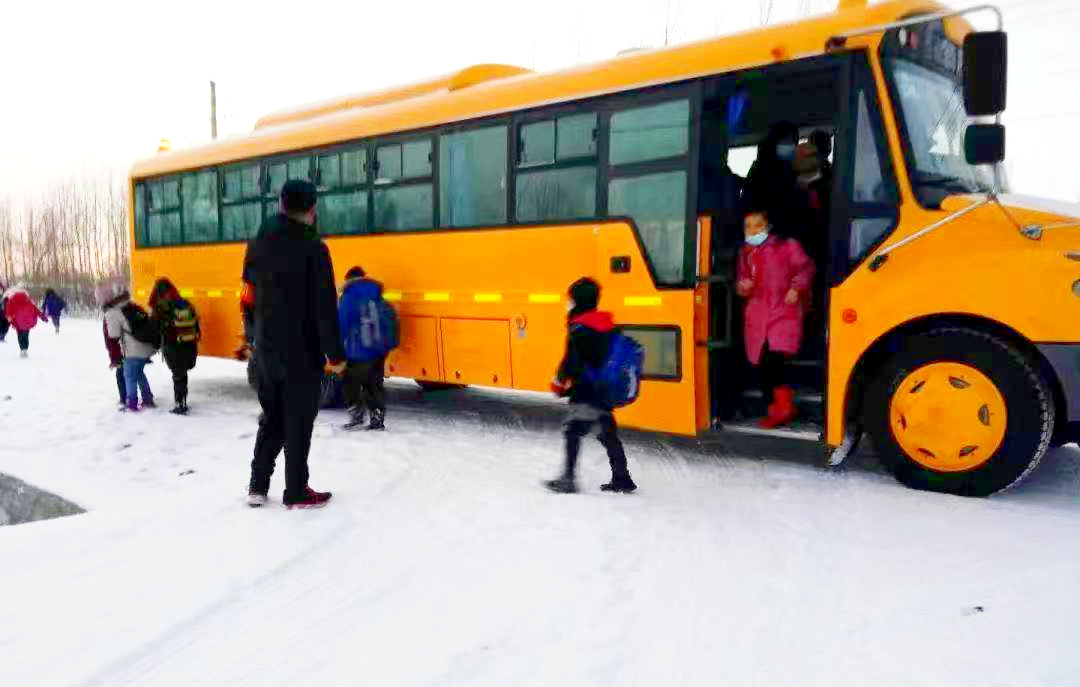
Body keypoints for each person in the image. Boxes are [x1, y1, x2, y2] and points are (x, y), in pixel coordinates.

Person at [243, 179, 346, 509]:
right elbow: (324, 307)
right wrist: (335, 356)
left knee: (272, 416)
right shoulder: (314, 248)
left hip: (266, 348)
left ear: (282, 204)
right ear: (311, 209)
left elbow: (247, 295)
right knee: (298, 421)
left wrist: (253, 335)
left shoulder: (258, 242)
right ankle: (297, 491)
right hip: (301, 352)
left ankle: (257, 485)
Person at [544, 277, 637, 495]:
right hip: (605, 388)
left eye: (571, 299)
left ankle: (568, 479)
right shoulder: (608, 325)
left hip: (586, 390)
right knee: (608, 434)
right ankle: (622, 478)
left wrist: (559, 382)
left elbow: (571, 361)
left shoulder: (580, 328)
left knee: (573, 431)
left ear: (578, 301)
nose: (568, 303)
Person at [736, 210, 815, 429]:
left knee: (774, 359)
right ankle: (776, 407)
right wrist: (744, 286)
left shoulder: (787, 246)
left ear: (768, 226)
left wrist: (796, 288)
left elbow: (806, 268)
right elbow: (742, 280)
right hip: (758, 314)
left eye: (757, 225)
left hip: (784, 311)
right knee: (763, 364)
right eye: (748, 226)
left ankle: (782, 408)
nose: (753, 230)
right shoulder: (746, 252)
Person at [338, 265, 397, 431]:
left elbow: (342, 324)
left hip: (359, 349)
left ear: (349, 280)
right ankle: (377, 417)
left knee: (349, 381)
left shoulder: (349, 296)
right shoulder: (376, 293)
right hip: (379, 349)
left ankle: (356, 414)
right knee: (374, 382)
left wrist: (336, 349)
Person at [149, 277, 201, 415]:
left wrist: (154, 344)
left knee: (178, 375)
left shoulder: (161, 306)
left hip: (173, 345)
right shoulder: (184, 303)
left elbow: (155, 327)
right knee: (181, 374)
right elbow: (196, 322)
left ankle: (180, 404)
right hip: (188, 344)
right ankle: (182, 401)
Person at [743, 121, 802, 238]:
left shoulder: (792, 169)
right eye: (787, 141)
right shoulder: (761, 170)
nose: (792, 146)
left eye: (795, 141)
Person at [104, 283, 157, 412]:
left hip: (133, 351)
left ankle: (132, 404)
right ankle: (148, 399)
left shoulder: (113, 312)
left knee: (130, 377)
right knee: (139, 373)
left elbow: (113, 335)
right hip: (148, 348)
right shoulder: (133, 306)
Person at [96, 281, 129, 407]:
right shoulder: (124, 304)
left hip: (122, 349)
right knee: (134, 373)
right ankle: (145, 397)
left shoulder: (112, 311)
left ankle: (125, 399)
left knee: (122, 374)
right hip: (131, 347)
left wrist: (115, 358)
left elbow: (112, 337)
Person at [3, 285, 47, 358]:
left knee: (20, 336)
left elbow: (8, 310)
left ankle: (22, 349)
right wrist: (43, 318)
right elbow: (36, 310)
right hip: (27, 322)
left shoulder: (11, 300)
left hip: (17, 322)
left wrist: (8, 317)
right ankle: (25, 349)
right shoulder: (28, 300)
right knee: (26, 335)